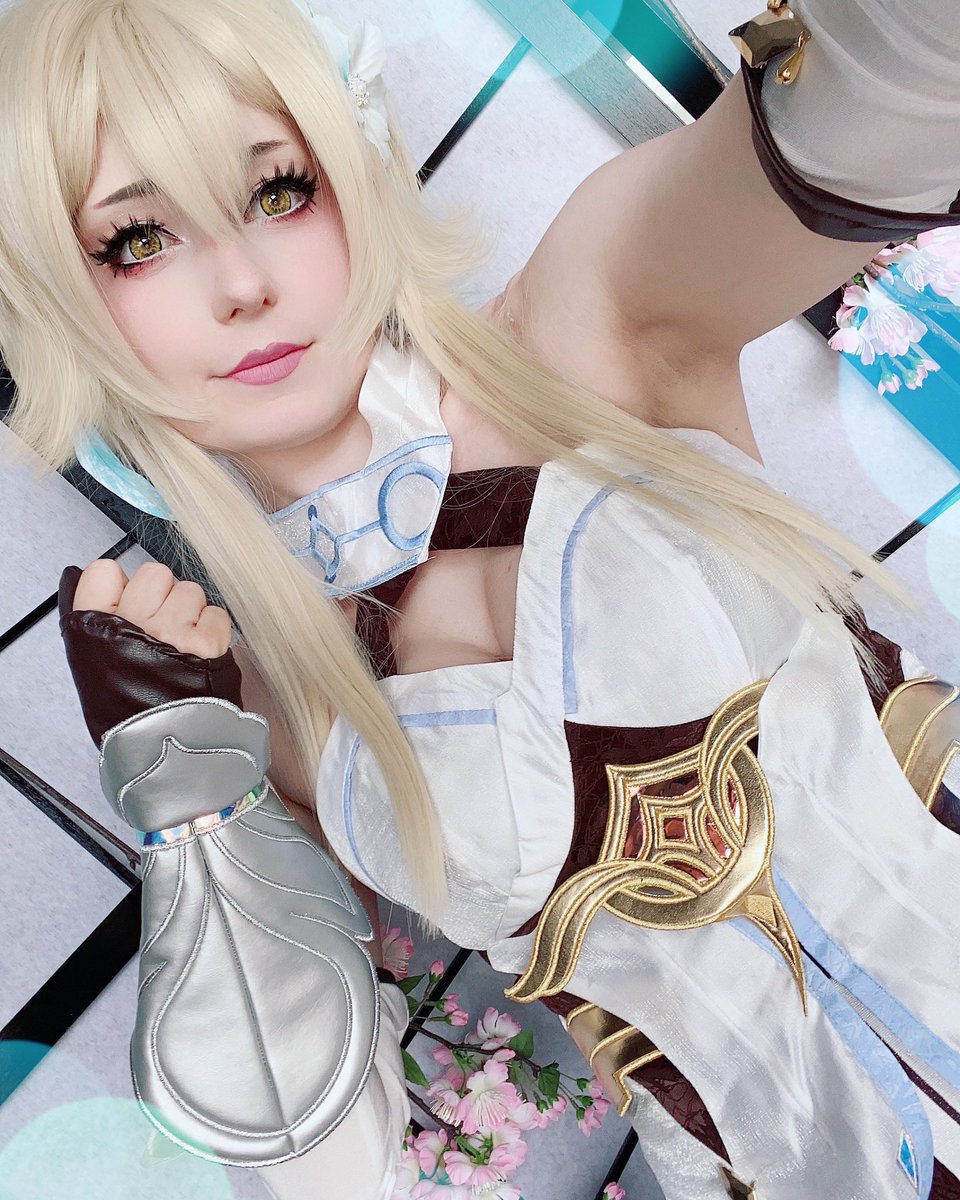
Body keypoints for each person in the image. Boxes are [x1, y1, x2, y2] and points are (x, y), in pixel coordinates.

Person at [0, 0, 958, 1195]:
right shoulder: (275, 714)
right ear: (58, 309)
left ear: (352, 165)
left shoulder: (591, 319)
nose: (241, 283)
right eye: (139, 239)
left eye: (278, 189)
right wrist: (184, 794)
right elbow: (330, 1164)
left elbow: (893, 97)